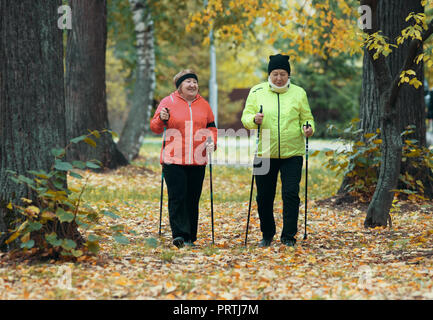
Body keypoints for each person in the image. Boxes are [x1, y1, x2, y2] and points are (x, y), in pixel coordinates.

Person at [241, 54, 315, 248]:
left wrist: (307, 128)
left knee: (291, 194)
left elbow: (306, 118)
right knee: (264, 196)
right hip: (264, 150)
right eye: (275, 74)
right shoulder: (257, 91)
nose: (279, 78)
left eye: (283, 74)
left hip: (292, 153)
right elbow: (245, 117)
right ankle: (267, 234)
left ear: (288, 75)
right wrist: (253, 120)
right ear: (269, 74)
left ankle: (289, 236)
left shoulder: (299, 93)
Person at [150, 69, 217, 248]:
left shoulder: (204, 104)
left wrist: (212, 142)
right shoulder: (167, 102)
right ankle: (180, 236)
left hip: (197, 158)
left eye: (195, 82)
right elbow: (155, 127)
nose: (192, 85)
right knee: (177, 197)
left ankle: (190, 237)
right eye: (188, 82)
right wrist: (161, 119)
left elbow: (212, 128)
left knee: (192, 198)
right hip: (173, 159)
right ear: (180, 86)